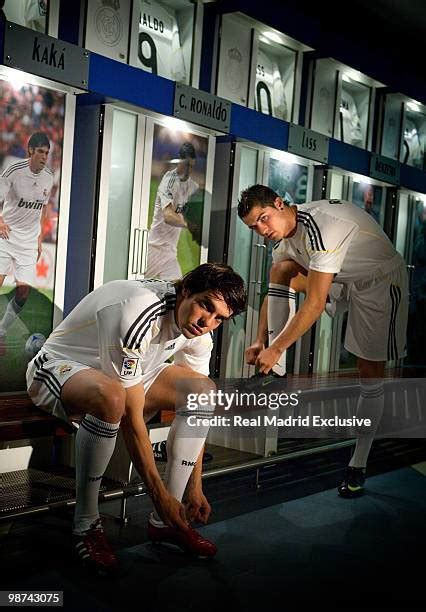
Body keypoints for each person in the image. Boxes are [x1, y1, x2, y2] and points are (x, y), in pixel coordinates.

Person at [26, 263, 247, 573]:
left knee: (203, 391)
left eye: (219, 318)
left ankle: (168, 523)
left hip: (122, 376)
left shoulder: (200, 331)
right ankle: (86, 524)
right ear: (186, 291)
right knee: (112, 397)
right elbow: (131, 417)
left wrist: (193, 488)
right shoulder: (139, 309)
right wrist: (157, 495)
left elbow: (198, 410)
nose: (206, 322)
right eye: (205, 305)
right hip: (60, 367)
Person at [238, 185, 408, 498]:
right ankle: (274, 377)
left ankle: (358, 464)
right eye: (254, 227)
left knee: (370, 376)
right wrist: (260, 340)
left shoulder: (322, 227)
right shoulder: (285, 237)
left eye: (264, 219)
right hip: (342, 277)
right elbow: (276, 287)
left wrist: (277, 348)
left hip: (379, 283)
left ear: (280, 203)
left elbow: (314, 304)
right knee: (281, 267)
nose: (262, 230)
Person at [0, 132, 53, 350]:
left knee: (23, 293)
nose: (44, 157)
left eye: (47, 153)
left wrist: (39, 239)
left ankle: (1, 330)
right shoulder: (13, 171)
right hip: (6, 236)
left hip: (29, 242)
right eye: (40, 152)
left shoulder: (48, 177)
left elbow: (42, 209)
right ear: (30, 151)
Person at [146, 142, 199, 280]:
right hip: (154, 249)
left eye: (191, 166)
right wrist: (189, 225)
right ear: (179, 161)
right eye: (186, 165)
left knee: (176, 291)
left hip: (170, 254)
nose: (188, 170)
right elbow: (168, 216)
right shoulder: (169, 181)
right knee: (134, 286)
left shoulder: (191, 186)